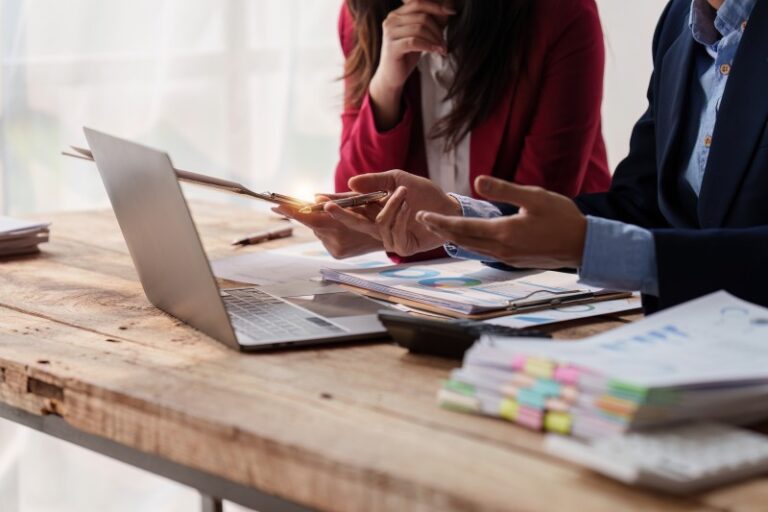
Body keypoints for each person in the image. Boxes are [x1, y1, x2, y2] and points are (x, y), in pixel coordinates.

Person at [337, 0, 768, 313]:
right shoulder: (681, 22)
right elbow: (640, 206)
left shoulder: (561, 15)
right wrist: (457, 218)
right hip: (695, 336)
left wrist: (590, 246)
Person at [275, 0, 611, 259]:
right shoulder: (363, 13)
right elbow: (355, 198)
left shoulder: (561, 12)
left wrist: (403, 239)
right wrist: (386, 85)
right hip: (430, 287)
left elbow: (531, 223)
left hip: (554, 278)